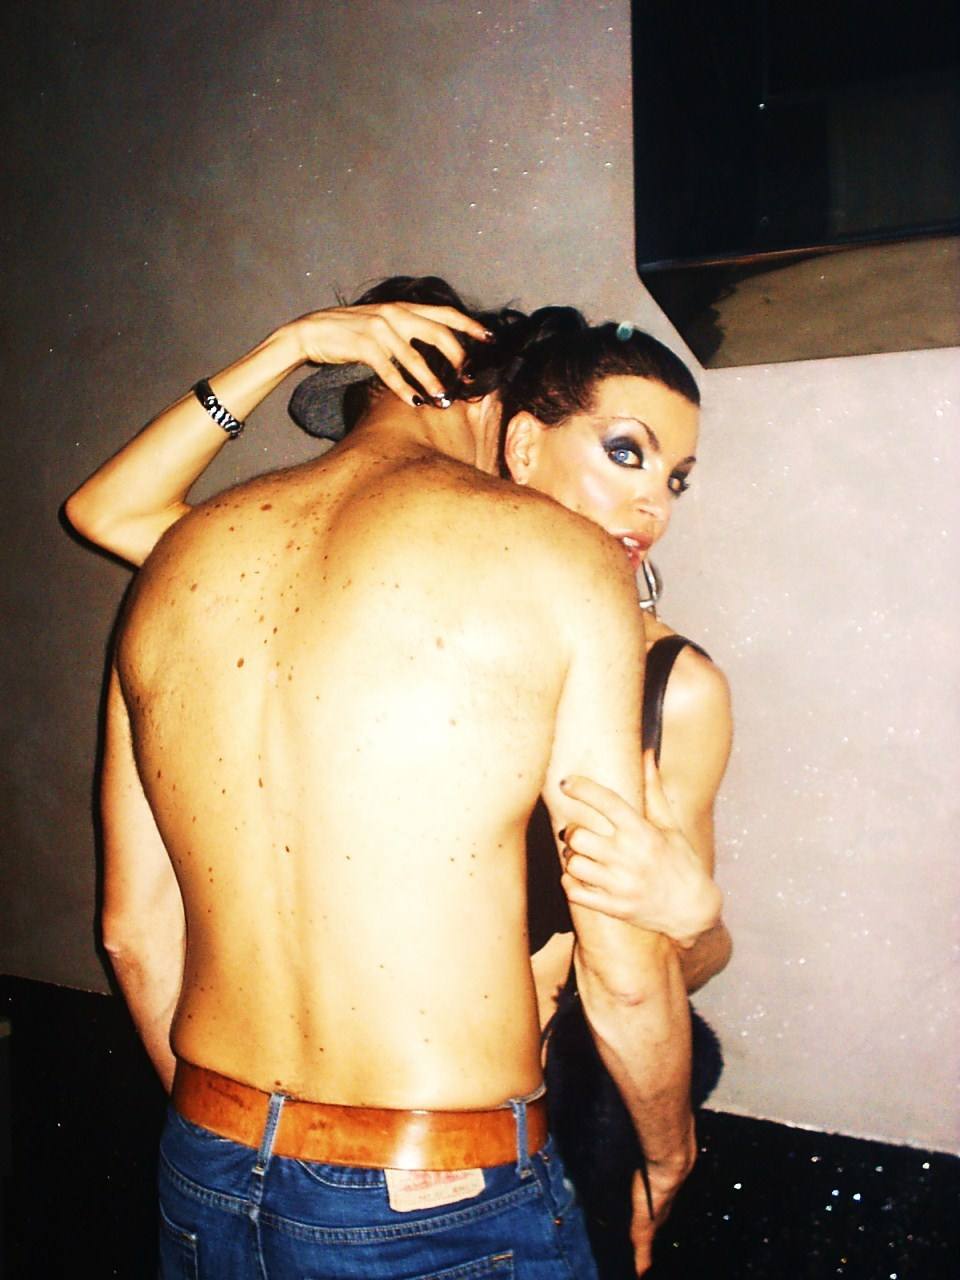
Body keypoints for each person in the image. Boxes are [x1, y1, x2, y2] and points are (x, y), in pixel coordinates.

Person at [68, 283, 722, 1278]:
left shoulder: (179, 568)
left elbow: (132, 931)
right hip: (438, 1192)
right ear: (486, 397)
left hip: (207, 1160)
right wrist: (670, 1151)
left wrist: (258, 1145)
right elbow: (624, 969)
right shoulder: (563, 561)